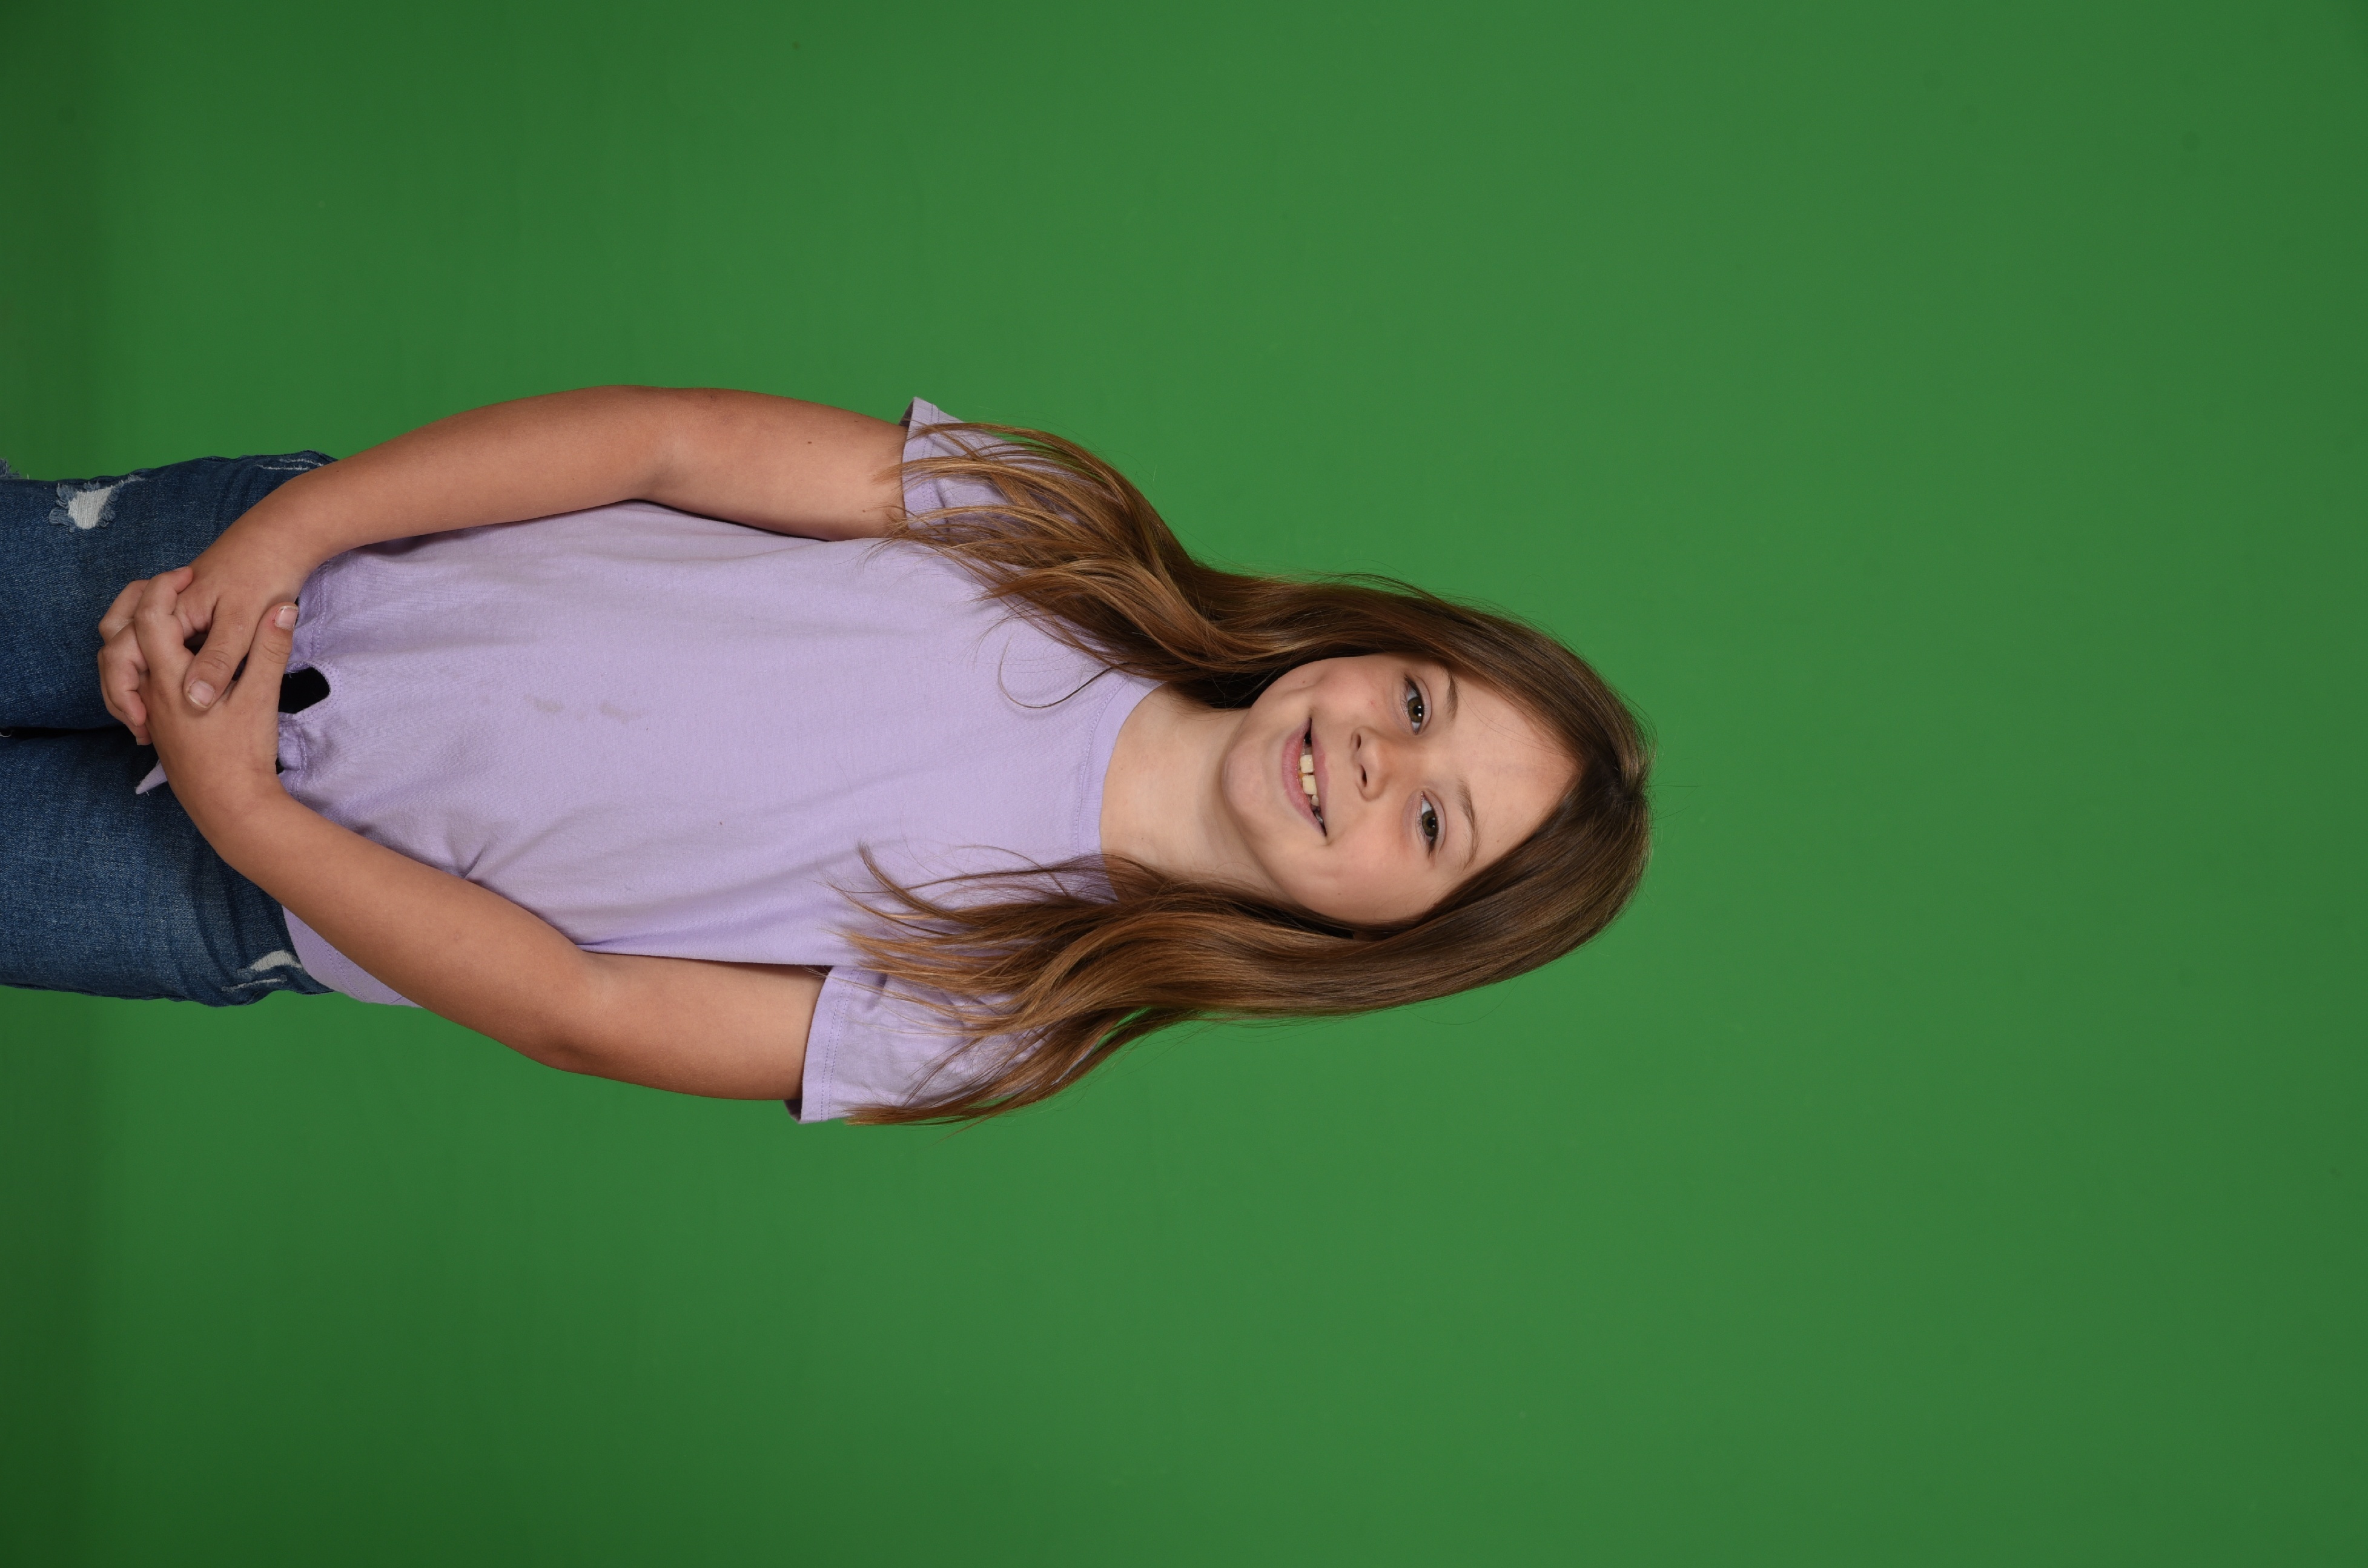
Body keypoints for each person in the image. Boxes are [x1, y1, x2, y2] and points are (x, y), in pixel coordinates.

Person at [1, 389, 1651, 1122]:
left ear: (1392, 938)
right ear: (1375, 643)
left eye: (1433, 825)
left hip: (239, 883)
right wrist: (285, 539)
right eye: (1418, 704)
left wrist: (245, 817)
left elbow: (588, 1008)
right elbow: (664, 441)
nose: (1372, 761)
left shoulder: (1011, 1016)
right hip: (280, 564)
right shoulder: (1055, 530)